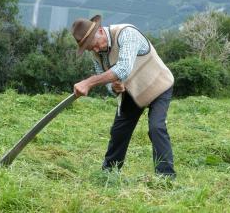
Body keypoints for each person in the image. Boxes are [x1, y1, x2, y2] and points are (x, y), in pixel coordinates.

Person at [71, 15, 176, 178]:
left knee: (156, 127)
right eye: (91, 49)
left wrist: (89, 82)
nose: (96, 50)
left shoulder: (126, 33)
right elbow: (108, 84)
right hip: (133, 92)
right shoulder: (96, 54)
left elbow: (123, 69)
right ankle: (109, 173)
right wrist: (115, 88)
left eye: (95, 45)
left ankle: (165, 177)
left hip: (158, 85)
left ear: (99, 31)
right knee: (119, 130)